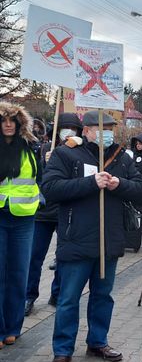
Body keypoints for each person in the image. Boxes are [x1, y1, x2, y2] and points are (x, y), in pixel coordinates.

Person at [41, 110, 142, 362]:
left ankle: (97, 342)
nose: (106, 132)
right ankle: (62, 350)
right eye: (101, 127)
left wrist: (119, 184)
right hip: (76, 240)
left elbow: (141, 191)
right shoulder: (67, 154)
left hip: (108, 240)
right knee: (68, 299)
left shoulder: (121, 157)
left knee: (102, 296)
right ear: (86, 130)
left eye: (110, 127)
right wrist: (90, 183)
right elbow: (51, 189)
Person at [25, 113, 83, 316]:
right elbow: (33, 177)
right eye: (64, 128)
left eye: (73, 129)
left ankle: (57, 293)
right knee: (34, 256)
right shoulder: (42, 149)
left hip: (65, 211)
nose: (68, 132)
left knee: (63, 257)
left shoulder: (80, 152)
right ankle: (29, 296)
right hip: (42, 212)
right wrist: (44, 161)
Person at [0, 102, 40, 350]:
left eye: (12, 120)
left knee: (18, 274)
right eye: (4, 120)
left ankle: (13, 327)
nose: (7, 124)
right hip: (0, 216)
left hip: (25, 218)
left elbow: (40, 177)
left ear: (19, 123)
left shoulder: (30, 148)